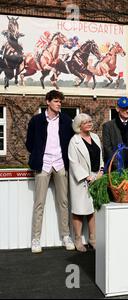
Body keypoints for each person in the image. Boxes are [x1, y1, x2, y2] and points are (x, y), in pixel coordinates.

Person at [25, 90, 75, 253]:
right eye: (55, 101)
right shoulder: (37, 120)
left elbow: (71, 142)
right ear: (47, 102)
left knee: (64, 202)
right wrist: (39, 155)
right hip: (43, 164)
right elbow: (29, 143)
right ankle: (36, 239)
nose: (59, 104)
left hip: (60, 164)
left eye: (60, 101)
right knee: (39, 203)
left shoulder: (67, 121)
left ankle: (66, 236)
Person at [68, 113, 103, 252]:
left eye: (90, 121)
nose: (90, 123)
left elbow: (100, 156)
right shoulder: (74, 141)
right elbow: (73, 162)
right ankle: (78, 239)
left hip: (96, 176)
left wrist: (101, 171)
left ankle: (93, 239)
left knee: (92, 209)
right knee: (79, 210)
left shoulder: (95, 137)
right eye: (86, 122)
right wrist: (86, 177)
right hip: (82, 180)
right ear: (79, 126)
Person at [102, 97, 128, 170]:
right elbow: (108, 149)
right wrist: (118, 166)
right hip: (116, 170)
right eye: (124, 108)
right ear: (117, 109)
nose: (127, 111)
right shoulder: (108, 126)